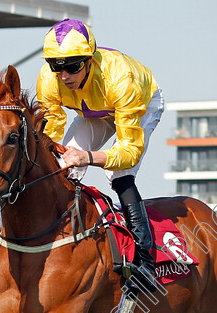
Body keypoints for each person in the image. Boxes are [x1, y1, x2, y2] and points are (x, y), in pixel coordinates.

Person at [36, 18, 163, 290]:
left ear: (90, 60)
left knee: (117, 174)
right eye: (56, 67)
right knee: (63, 167)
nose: (64, 75)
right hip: (94, 111)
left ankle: (146, 262)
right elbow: (52, 132)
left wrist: (89, 157)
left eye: (72, 67)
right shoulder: (49, 80)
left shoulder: (119, 78)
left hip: (138, 102)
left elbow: (129, 151)